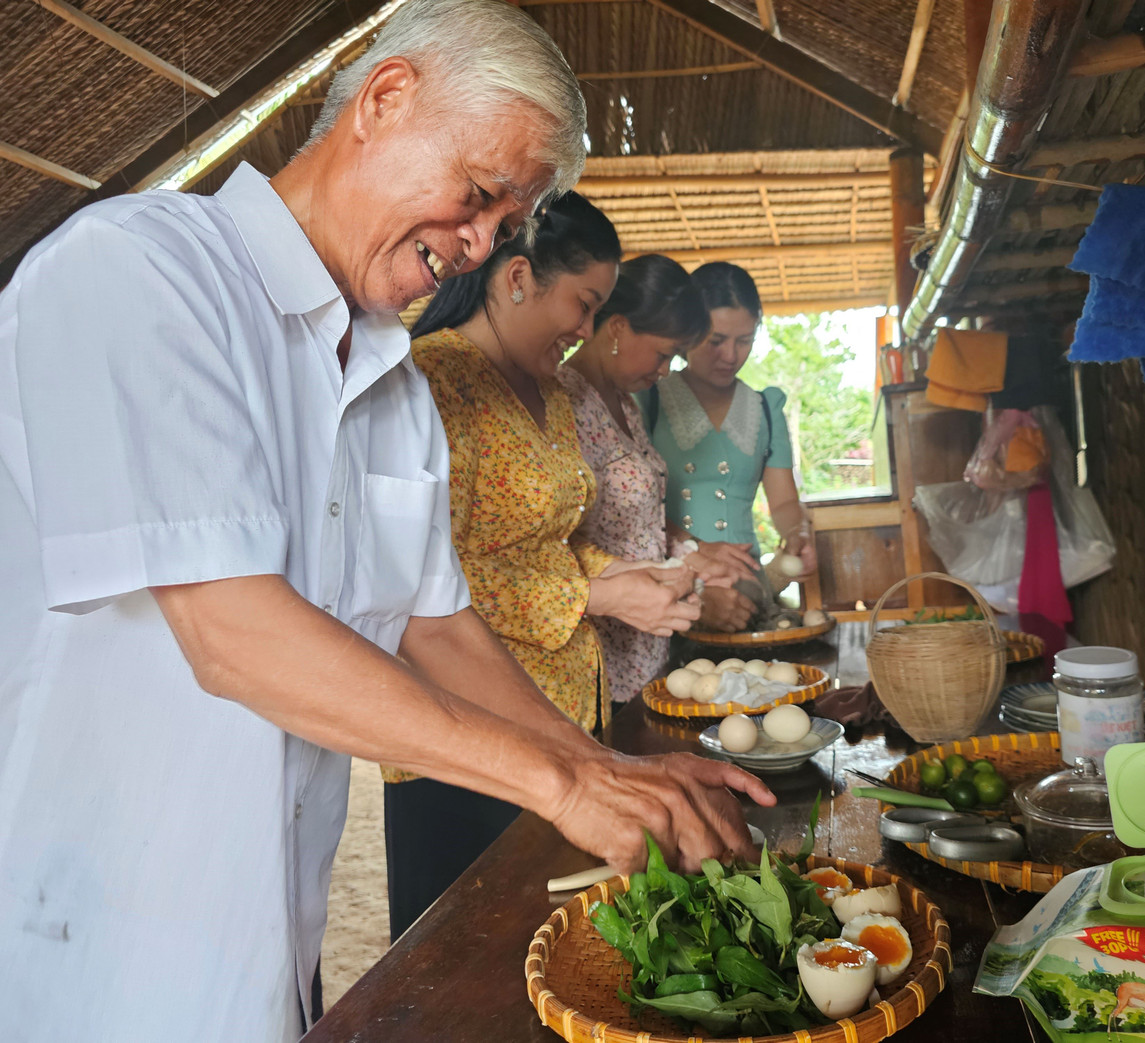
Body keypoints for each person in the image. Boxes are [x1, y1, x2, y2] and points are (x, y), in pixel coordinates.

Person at [0, 4, 773, 1039]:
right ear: (386, 98)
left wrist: (602, 765)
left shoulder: (388, 380)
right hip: (87, 923)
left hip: (268, 920)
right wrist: (559, 779)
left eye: (505, 224)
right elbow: (231, 633)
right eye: (480, 195)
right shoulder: (142, 274)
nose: (480, 243)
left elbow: (435, 621)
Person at [383, 197, 709, 938]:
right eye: (585, 303)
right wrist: (596, 592)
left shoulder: (552, 392)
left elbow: (553, 541)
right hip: (467, 725)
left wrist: (629, 579)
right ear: (519, 276)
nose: (588, 330)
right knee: (469, 946)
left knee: (567, 935)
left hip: (569, 711)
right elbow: (421, 579)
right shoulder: (431, 384)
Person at [560, 254, 759, 702]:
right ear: (618, 329)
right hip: (601, 644)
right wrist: (691, 589)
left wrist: (694, 555)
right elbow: (563, 542)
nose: (667, 370)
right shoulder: (564, 403)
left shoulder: (626, 404)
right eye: (663, 354)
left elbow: (637, 522)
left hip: (648, 642)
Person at [643, 262, 819, 632]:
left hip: (748, 591)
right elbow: (630, 513)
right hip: (670, 587)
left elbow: (784, 502)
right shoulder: (648, 399)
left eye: (745, 340)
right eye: (716, 341)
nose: (730, 356)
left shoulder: (765, 410)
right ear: (688, 330)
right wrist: (695, 551)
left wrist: (797, 533)